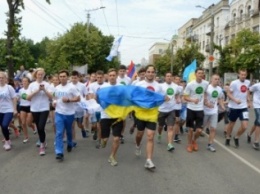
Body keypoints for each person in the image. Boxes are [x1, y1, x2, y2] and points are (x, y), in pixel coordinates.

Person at [135, 65, 168, 169]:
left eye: (152, 72)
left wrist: (165, 98)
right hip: (140, 113)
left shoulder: (159, 86)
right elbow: (133, 96)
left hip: (152, 114)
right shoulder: (139, 84)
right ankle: (138, 145)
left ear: (155, 73)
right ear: (145, 73)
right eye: (148, 72)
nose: (150, 74)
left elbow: (164, 97)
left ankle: (148, 160)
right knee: (139, 134)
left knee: (150, 136)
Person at [53, 70, 80, 161]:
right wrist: (54, 102)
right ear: (59, 78)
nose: (62, 78)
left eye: (64, 76)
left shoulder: (72, 87)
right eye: (60, 76)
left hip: (69, 114)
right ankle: (59, 152)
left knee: (69, 131)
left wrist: (69, 100)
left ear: (67, 77)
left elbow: (78, 98)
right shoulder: (57, 88)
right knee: (59, 132)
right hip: (59, 113)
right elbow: (55, 98)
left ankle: (69, 143)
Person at [99, 68, 123, 166]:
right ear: (107, 77)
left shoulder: (121, 87)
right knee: (105, 138)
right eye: (110, 75)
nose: (112, 77)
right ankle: (103, 140)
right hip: (105, 116)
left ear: (116, 76)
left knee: (116, 138)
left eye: (114, 75)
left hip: (117, 116)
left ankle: (112, 156)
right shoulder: (103, 87)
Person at [27, 68, 53, 156]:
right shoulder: (32, 85)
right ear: (36, 75)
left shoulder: (47, 84)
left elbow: (51, 97)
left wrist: (44, 90)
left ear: (44, 75)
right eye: (39, 74)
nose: (40, 76)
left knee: (41, 127)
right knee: (39, 127)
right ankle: (43, 141)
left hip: (44, 108)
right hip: (34, 109)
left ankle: (42, 145)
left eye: (42, 74)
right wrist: (37, 90)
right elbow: (28, 98)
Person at [183, 68, 209, 153]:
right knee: (190, 129)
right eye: (199, 73)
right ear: (195, 74)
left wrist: (205, 100)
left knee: (199, 130)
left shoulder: (205, 83)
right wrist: (192, 100)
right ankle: (189, 144)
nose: (200, 75)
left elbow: (205, 92)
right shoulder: (190, 84)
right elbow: (185, 97)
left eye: (202, 73)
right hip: (191, 108)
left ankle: (194, 141)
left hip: (200, 109)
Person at [225, 69, 250, 147]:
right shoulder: (234, 83)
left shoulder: (248, 82)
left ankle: (236, 137)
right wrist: (235, 100)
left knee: (245, 126)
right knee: (231, 124)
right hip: (234, 107)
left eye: (244, 75)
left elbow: (247, 91)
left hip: (243, 107)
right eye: (242, 75)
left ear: (246, 75)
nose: (243, 76)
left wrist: (248, 100)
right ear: (238, 75)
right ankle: (228, 137)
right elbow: (228, 94)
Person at [157, 72, 180, 151]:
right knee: (160, 126)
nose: (169, 77)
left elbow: (177, 94)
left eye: (170, 76)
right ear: (165, 77)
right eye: (167, 76)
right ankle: (159, 134)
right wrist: (163, 97)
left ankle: (169, 144)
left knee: (170, 127)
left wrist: (177, 99)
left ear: (172, 77)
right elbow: (156, 95)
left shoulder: (176, 86)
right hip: (162, 109)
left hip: (171, 109)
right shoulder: (160, 86)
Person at [203, 74, 225, 152]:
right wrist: (206, 103)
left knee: (213, 128)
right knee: (201, 128)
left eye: (218, 79)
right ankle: (194, 140)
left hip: (214, 111)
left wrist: (222, 106)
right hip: (205, 110)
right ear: (211, 79)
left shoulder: (219, 89)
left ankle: (210, 144)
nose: (217, 80)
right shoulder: (207, 87)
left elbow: (219, 99)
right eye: (215, 79)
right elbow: (203, 97)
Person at [88, 70, 106, 148]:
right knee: (94, 125)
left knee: (100, 125)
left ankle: (99, 140)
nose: (99, 79)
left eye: (100, 77)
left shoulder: (107, 85)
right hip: (94, 107)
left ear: (103, 77)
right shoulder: (92, 85)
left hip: (103, 108)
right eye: (97, 77)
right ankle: (95, 131)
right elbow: (91, 96)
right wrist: (93, 98)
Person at [0, 72, 17, 150]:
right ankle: (8, 140)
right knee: (2, 127)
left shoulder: (9, 87)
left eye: (2, 77)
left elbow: (14, 98)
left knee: (4, 125)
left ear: (5, 79)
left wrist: (14, 109)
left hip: (8, 109)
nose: (1, 79)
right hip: (0, 110)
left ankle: (7, 141)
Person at [71, 71, 89, 144]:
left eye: (75, 78)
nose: (74, 79)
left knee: (79, 125)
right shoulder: (69, 86)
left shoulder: (82, 86)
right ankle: (73, 140)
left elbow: (86, 95)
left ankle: (83, 129)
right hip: (71, 108)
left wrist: (87, 106)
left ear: (78, 78)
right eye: (72, 78)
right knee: (72, 125)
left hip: (80, 108)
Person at [18, 77, 37, 143]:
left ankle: (33, 126)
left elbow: (33, 99)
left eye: (26, 81)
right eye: (23, 81)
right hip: (22, 107)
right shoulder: (20, 90)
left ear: (28, 82)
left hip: (30, 107)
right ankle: (26, 137)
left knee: (28, 123)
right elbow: (18, 99)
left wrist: (29, 98)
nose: (24, 82)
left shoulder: (30, 90)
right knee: (23, 123)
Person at [248, 81, 260, 150]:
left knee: (257, 122)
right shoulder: (257, 85)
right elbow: (248, 90)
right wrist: (249, 101)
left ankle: (249, 134)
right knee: (259, 122)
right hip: (257, 105)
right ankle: (256, 141)